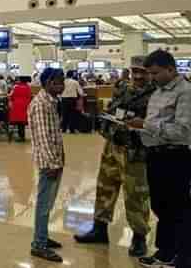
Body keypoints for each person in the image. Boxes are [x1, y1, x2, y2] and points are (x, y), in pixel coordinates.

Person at [74, 56, 154, 257]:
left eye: (142, 72)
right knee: (104, 188)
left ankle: (139, 237)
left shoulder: (157, 93)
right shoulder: (123, 88)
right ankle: (99, 230)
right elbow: (111, 110)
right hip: (113, 146)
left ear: (150, 72)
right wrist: (106, 122)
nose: (137, 75)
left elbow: (155, 124)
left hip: (136, 151)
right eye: (134, 70)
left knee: (136, 195)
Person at [127, 50, 191, 268]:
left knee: (178, 208)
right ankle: (165, 251)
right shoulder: (158, 91)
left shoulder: (185, 92)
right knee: (161, 206)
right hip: (156, 155)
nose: (151, 77)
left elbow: (183, 132)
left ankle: (183, 256)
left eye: (155, 73)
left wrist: (144, 125)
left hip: (175, 156)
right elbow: (155, 124)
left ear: (170, 69)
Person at [29, 68, 66, 263]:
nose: (62, 86)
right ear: (49, 83)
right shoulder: (42, 104)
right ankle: (38, 244)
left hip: (54, 160)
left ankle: (42, 235)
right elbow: (43, 138)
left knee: (48, 202)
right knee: (44, 204)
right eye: (59, 82)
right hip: (48, 163)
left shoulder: (51, 101)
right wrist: (53, 163)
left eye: (63, 82)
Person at [9, 76, 33, 142]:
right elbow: (30, 96)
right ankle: (22, 136)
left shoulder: (16, 87)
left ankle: (21, 137)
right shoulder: (28, 87)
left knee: (19, 122)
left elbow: (11, 96)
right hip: (25, 105)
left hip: (17, 106)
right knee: (22, 122)